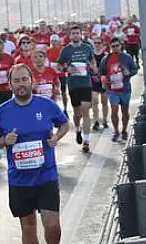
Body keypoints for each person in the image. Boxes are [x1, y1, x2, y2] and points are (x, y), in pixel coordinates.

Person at [0, 64, 71, 244]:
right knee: (28, 226)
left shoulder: (46, 105)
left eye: (25, 79)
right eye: (17, 81)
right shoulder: (3, 111)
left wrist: (57, 138)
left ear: (32, 81)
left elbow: (64, 123)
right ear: (10, 84)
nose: (21, 84)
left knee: (52, 224)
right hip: (20, 180)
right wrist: (5, 141)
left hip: (46, 175)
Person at [58, 25, 97, 153]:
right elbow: (58, 65)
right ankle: (78, 129)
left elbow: (92, 60)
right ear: (70, 36)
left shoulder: (87, 47)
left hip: (86, 83)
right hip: (73, 84)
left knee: (86, 110)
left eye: (77, 33)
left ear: (81, 34)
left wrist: (93, 67)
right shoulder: (66, 50)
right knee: (77, 113)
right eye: (73, 33)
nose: (75, 35)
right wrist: (66, 69)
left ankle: (86, 141)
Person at [99, 37, 137, 143]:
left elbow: (135, 69)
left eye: (117, 46)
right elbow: (101, 73)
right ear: (110, 47)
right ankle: (116, 131)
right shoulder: (106, 59)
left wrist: (128, 73)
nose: (115, 48)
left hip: (125, 89)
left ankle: (124, 130)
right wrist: (104, 79)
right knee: (114, 109)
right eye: (113, 46)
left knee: (125, 111)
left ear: (121, 46)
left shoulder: (127, 57)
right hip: (112, 90)